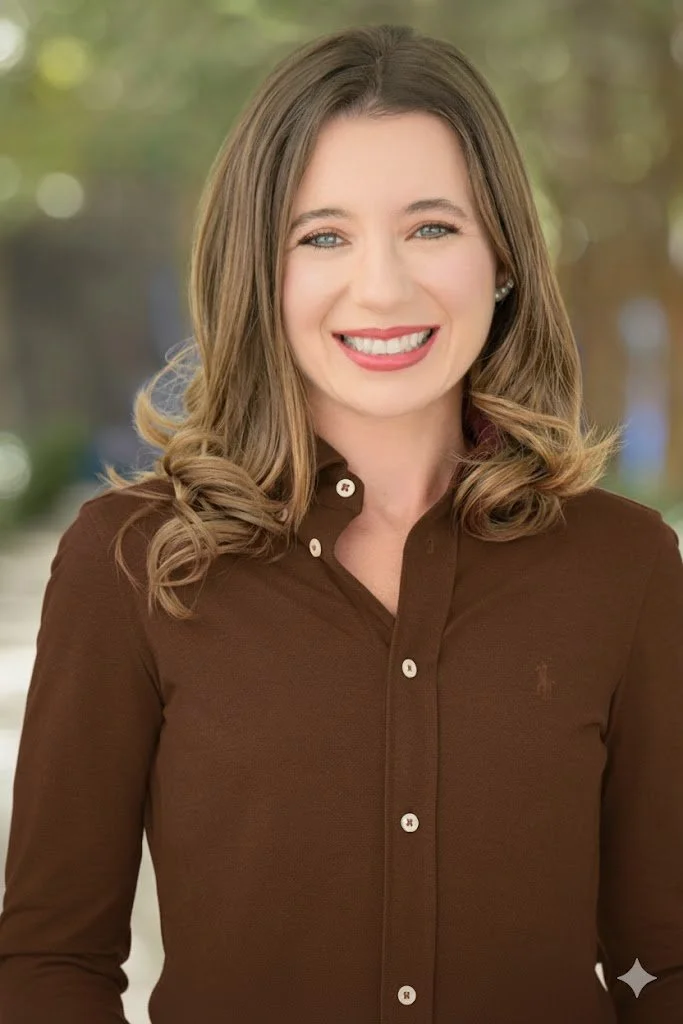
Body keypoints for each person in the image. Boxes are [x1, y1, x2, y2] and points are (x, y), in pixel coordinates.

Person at [0, 22, 681, 1024]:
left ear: (500, 258)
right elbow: (50, 962)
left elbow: (663, 963)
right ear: (258, 274)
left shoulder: (623, 568)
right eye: (321, 236)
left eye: (431, 228)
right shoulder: (127, 562)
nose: (382, 287)